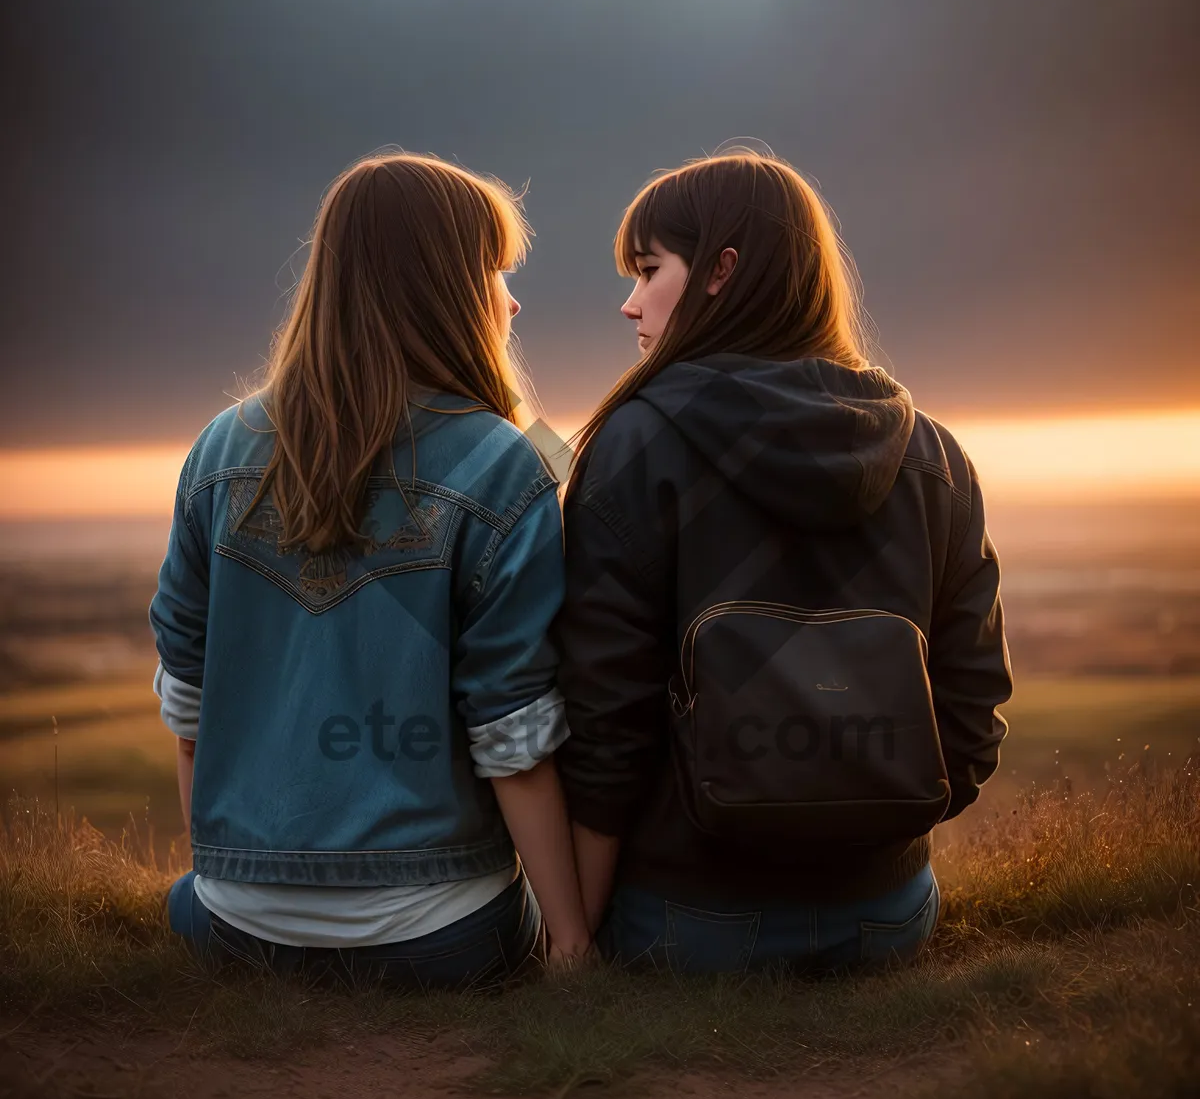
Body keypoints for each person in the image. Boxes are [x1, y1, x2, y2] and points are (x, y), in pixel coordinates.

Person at [554, 150, 1013, 974]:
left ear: (721, 271)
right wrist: (870, 835)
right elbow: (973, 704)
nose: (630, 304)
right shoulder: (934, 455)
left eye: (650, 269)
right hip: (887, 915)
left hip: (687, 919)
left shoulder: (637, 445)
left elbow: (604, 716)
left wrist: (574, 939)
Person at [150, 152, 591, 987]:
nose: (513, 298)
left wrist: (227, 879)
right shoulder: (505, 466)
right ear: (447, 288)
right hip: (443, 935)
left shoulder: (217, 448)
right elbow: (515, 738)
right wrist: (568, 940)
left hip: (235, 924)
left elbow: (188, 702)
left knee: (185, 900)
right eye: (495, 272)